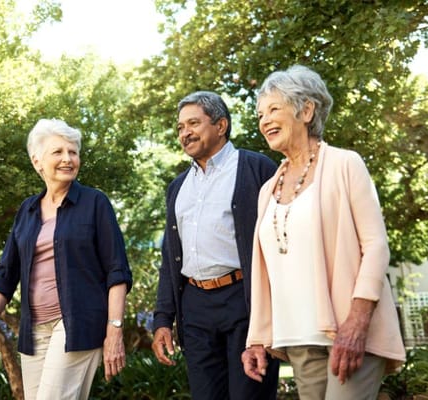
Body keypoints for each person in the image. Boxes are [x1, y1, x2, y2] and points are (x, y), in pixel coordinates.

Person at [241, 65, 406, 399]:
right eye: (260, 114)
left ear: (306, 110)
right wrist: (257, 337)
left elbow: (375, 246)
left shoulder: (346, 165)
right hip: (298, 336)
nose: (264, 120)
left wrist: (357, 322)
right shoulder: (267, 189)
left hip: (346, 331)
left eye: (274, 109)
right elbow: (267, 272)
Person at [0, 119, 133, 400]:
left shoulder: (95, 203)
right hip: (33, 332)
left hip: (77, 327)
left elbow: (117, 271)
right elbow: (6, 275)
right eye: (58, 152)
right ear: (38, 161)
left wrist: (114, 331)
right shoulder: (28, 210)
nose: (68, 159)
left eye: (73, 152)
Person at [152, 91, 280, 400]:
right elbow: (170, 258)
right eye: (180, 127)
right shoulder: (178, 187)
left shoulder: (257, 168)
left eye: (193, 123)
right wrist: (162, 320)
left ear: (221, 125)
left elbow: (279, 243)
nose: (185, 133)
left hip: (245, 302)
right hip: (195, 308)